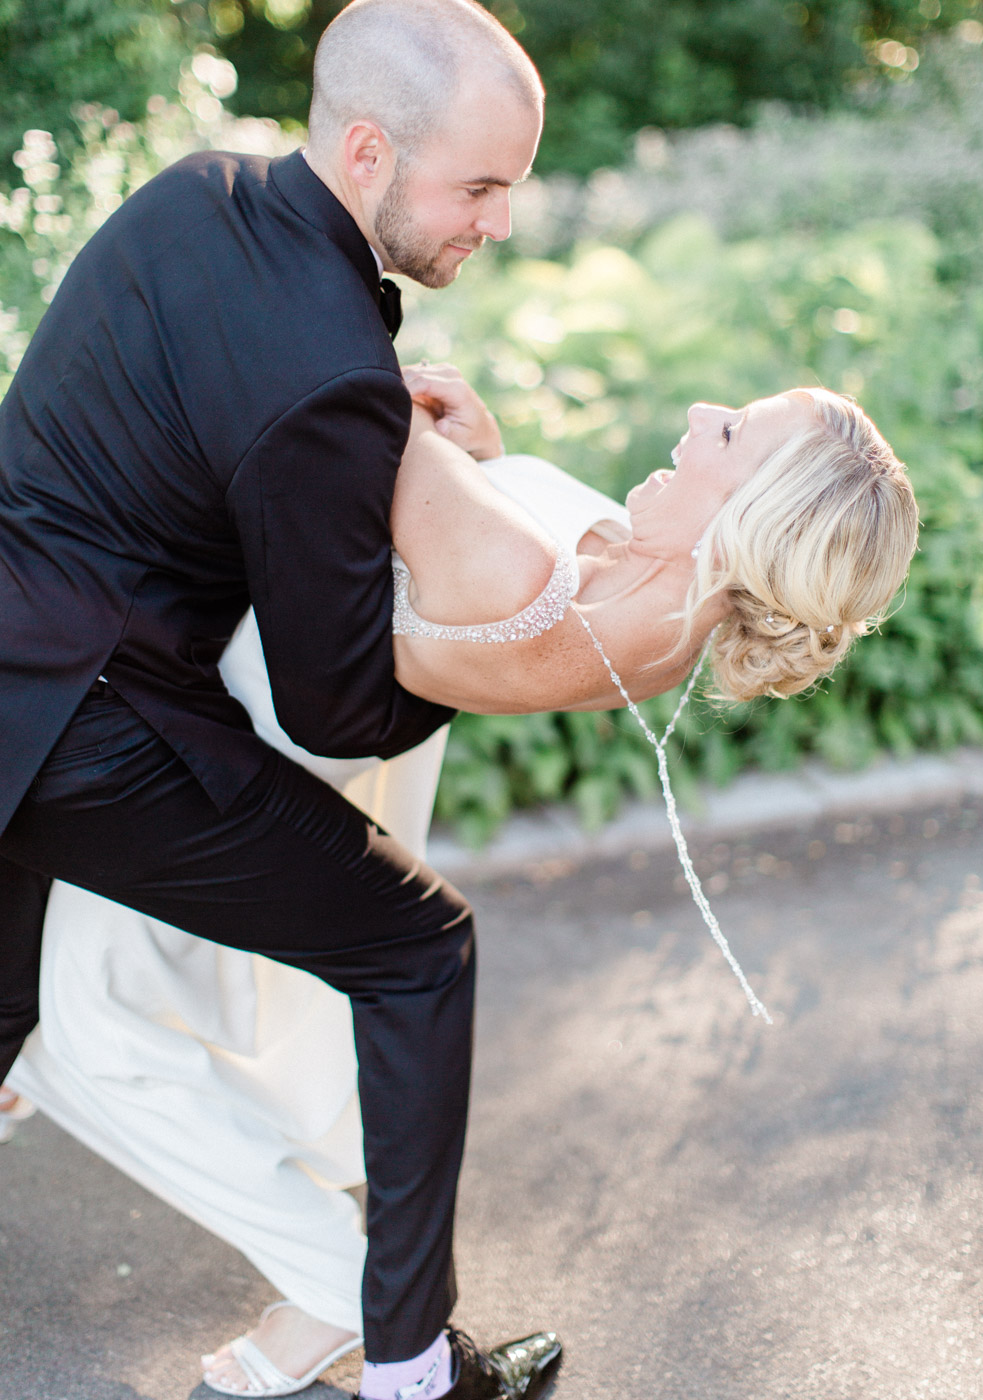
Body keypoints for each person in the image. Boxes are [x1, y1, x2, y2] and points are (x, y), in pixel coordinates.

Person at [4, 373, 919, 1394]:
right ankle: (359, 1313)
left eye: (735, 429)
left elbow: (350, 409)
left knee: (82, 1032)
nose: (703, 412)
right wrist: (481, 462)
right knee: (90, 1014)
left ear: (755, 514)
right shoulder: (658, 602)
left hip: (208, 762)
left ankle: (353, 1306)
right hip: (229, 723)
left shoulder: (528, 570)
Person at [0, 0, 565, 1397]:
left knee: (3, 1019)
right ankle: (411, 1371)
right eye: (479, 186)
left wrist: (377, 429)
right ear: (369, 149)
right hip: (85, 725)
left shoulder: (196, 194)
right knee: (418, 948)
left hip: (19, 657)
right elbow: (336, 710)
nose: (498, 220)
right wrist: (488, 652)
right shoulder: (325, 374)